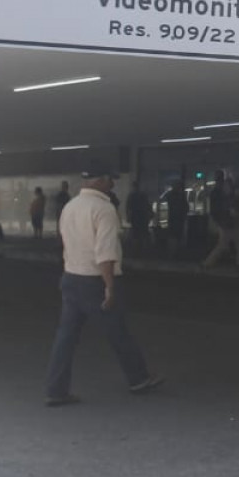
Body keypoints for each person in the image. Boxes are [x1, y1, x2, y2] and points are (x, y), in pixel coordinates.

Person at [46, 160, 163, 406]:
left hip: (70, 277)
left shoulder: (70, 206)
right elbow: (106, 253)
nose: (112, 184)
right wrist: (109, 287)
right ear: (98, 181)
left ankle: (56, 390)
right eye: (109, 179)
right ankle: (139, 378)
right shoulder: (104, 209)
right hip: (95, 281)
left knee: (65, 337)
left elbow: (64, 240)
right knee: (118, 332)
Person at [126, 178, 154, 250]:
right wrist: (150, 214)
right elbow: (148, 205)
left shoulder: (132, 195)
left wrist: (128, 217)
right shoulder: (143, 195)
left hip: (135, 216)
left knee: (135, 233)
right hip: (143, 216)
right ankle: (143, 248)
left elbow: (129, 207)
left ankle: (136, 249)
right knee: (144, 233)